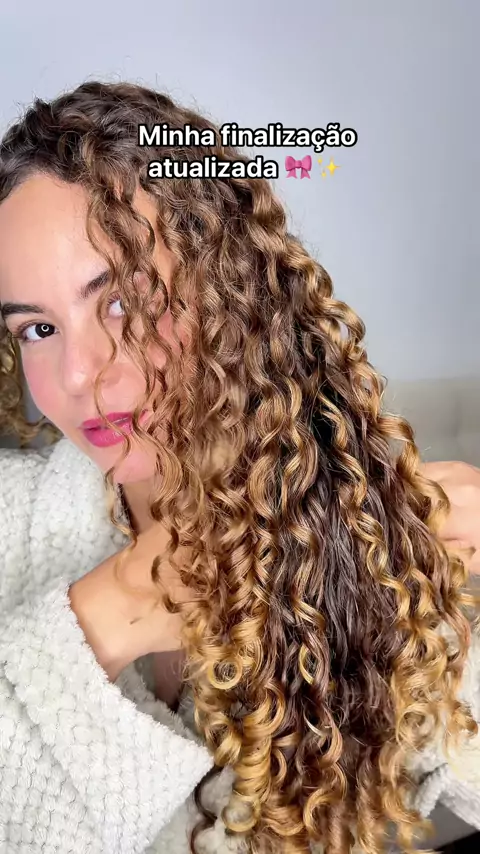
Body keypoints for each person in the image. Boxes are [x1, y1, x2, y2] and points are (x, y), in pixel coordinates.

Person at [0, 80, 479, 854]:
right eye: (38, 329)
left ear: (229, 290)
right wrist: (109, 613)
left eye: (123, 300)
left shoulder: (351, 534)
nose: (79, 372)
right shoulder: (10, 520)